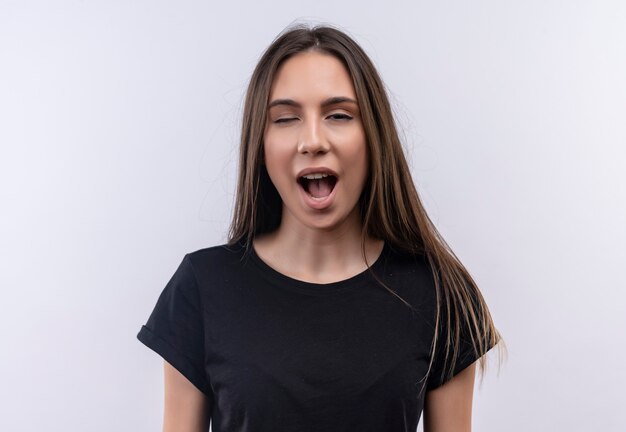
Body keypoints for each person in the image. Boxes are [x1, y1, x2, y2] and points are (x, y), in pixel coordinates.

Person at [137, 23, 504, 432]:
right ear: (260, 144)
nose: (312, 140)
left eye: (339, 115)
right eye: (286, 118)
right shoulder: (201, 288)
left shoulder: (440, 294)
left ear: (374, 136)